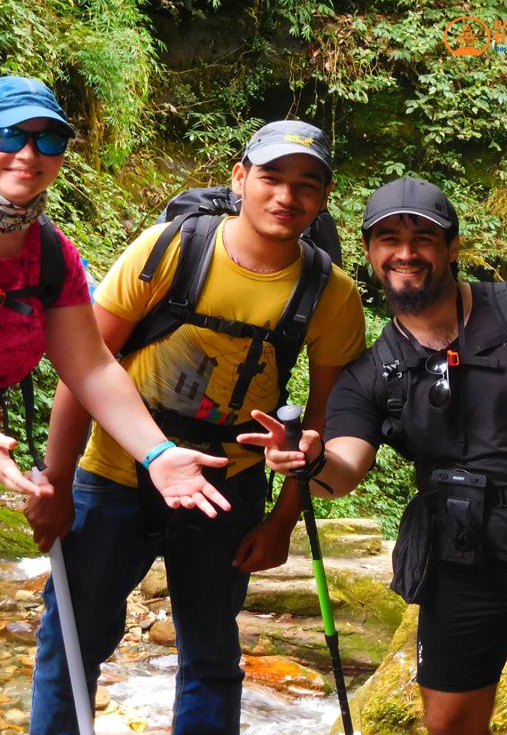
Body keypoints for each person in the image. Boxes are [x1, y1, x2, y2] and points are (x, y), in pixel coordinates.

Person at [0, 75, 229, 735]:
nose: (28, 153)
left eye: (49, 139)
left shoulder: (50, 255)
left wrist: (159, 453)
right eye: (8, 135)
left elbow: (91, 367)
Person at [243, 176, 507, 735]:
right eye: (388, 239)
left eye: (422, 236)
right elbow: (345, 468)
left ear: (452, 246)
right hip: (465, 559)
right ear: (370, 253)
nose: (405, 252)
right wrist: (309, 462)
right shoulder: (370, 372)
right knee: (449, 726)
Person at [27, 120, 366, 735]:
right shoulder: (169, 249)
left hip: (227, 486)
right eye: (271, 177)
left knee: (211, 653)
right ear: (240, 178)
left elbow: (320, 418)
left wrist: (282, 521)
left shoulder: (332, 293)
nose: (286, 196)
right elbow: (85, 369)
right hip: (115, 474)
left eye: (305, 185)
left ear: (323, 197)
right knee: (71, 645)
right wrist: (55, 484)